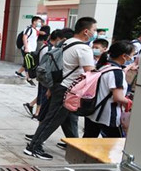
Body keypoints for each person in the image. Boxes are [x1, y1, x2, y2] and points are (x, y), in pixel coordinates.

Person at [24, 17, 97, 159]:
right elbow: (90, 73)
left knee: (69, 120)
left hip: (60, 86)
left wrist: (51, 88)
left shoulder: (66, 43)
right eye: (94, 30)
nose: (94, 33)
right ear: (86, 31)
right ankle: (33, 147)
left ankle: (75, 145)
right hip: (67, 90)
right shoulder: (83, 49)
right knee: (52, 120)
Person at [24, 28, 74, 141]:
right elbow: (46, 67)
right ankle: (37, 138)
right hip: (49, 82)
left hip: (51, 84)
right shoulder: (51, 49)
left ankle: (38, 137)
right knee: (47, 110)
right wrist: (50, 87)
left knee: (51, 112)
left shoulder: (56, 49)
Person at [83, 41, 135, 139]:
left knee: (87, 140)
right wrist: (130, 102)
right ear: (124, 56)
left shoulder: (103, 67)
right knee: (117, 143)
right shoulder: (117, 72)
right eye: (132, 55)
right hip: (108, 115)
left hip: (93, 111)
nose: (132, 58)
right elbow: (118, 97)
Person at [15, 16, 42, 87]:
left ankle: (18, 72)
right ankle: (28, 78)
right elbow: (24, 37)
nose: (40, 23)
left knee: (27, 63)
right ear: (34, 22)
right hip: (27, 49)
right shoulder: (28, 29)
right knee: (28, 63)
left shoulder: (35, 30)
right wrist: (26, 47)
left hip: (32, 49)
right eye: (39, 21)